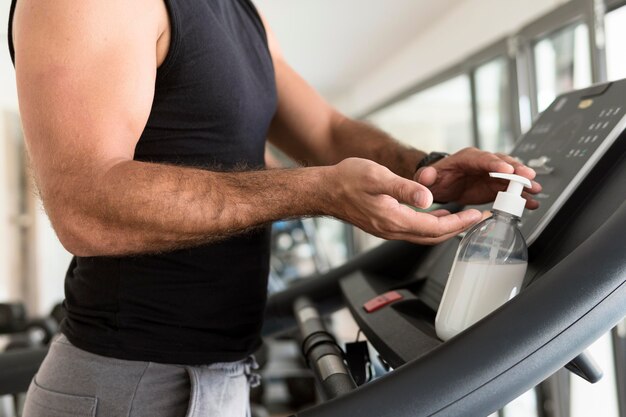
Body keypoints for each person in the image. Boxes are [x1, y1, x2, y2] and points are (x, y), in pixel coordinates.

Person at [8, 0, 541, 416]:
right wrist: (317, 192)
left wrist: (427, 169)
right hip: (132, 384)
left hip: (220, 372)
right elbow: (85, 208)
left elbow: (328, 131)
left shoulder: (242, 12)